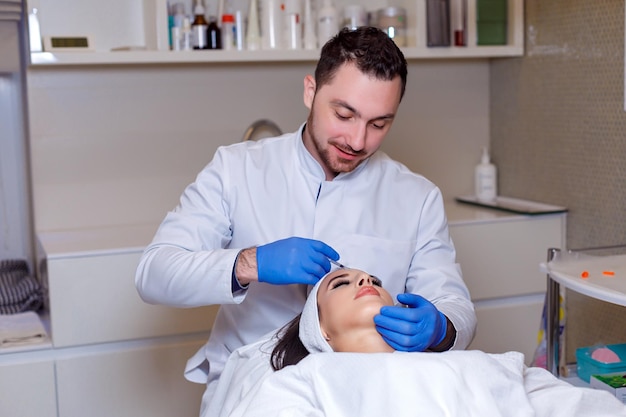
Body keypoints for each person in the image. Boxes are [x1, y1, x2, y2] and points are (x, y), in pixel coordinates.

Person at [134, 26, 477, 409]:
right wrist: (251, 263)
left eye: (379, 124)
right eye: (344, 114)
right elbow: (154, 274)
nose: (358, 141)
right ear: (311, 92)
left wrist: (440, 329)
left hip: (367, 394)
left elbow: (454, 304)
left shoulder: (416, 197)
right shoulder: (237, 169)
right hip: (251, 392)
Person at [212, 269, 626, 417]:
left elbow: (569, 405)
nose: (365, 281)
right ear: (320, 331)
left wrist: (442, 332)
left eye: (374, 280)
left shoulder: (474, 364)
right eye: (342, 283)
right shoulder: (308, 378)